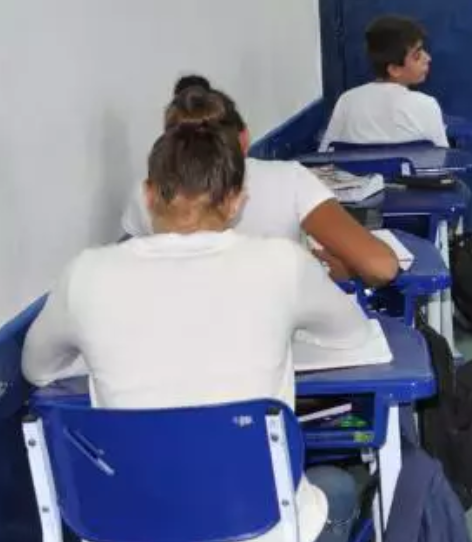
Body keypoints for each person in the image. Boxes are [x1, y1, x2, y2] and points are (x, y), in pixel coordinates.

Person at [24, 118, 378, 542]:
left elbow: (38, 369)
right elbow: (352, 335)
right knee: (339, 487)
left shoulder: (85, 273)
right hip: (260, 528)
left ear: (149, 195)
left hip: (128, 528)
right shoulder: (281, 264)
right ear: (235, 202)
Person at [125, 78, 400, 286]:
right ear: (243, 139)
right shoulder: (289, 180)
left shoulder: (146, 195)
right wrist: (321, 267)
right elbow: (380, 266)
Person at [321, 15, 448, 149]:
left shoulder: (347, 100)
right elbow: (443, 162)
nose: (428, 58)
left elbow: (325, 155)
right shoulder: (427, 105)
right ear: (394, 69)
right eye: (417, 56)